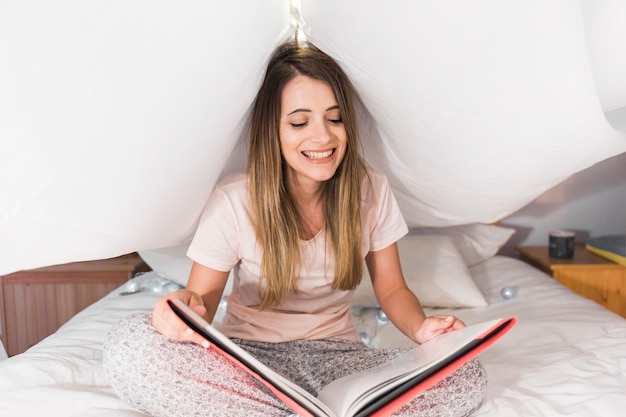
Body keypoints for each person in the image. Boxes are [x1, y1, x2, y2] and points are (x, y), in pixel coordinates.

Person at [103, 40, 487, 417]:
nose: (323, 136)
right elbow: (200, 301)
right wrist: (178, 312)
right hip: (250, 363)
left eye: (335, 119)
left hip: (340, 360)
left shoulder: (372, 190)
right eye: (300, 122)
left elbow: (391, 288)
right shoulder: (234, 200)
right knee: (130, 344)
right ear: (273, 130)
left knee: (466, 373)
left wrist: (423, 330)